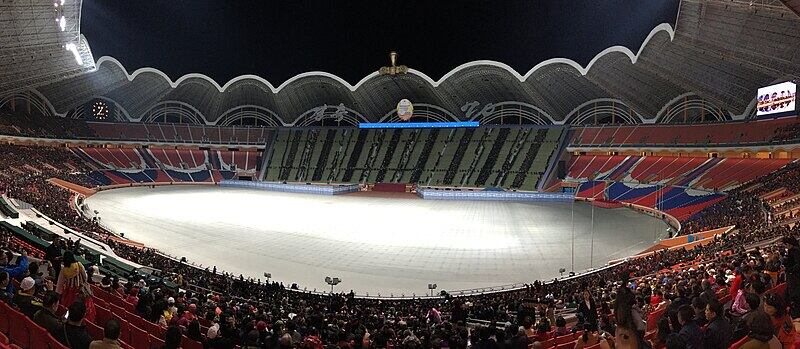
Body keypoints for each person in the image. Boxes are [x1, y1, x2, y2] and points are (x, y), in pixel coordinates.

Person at [783, 236, 800, 318]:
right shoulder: (791, 250)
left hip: (795, 275)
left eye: (785, 244)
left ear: (789, 244)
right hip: (793, 273)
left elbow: (798, 264)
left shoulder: (795, 250)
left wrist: (789, 269)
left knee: (795, 291)